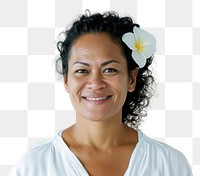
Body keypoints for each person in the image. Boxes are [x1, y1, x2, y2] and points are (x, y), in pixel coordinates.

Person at [8, 11, 192, 176]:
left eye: (110, 70)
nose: (95, 83)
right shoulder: (32, 166)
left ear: (131, 79)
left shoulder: (170, 164)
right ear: (66, 80)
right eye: (82, 71)